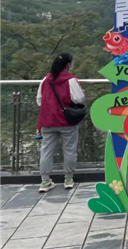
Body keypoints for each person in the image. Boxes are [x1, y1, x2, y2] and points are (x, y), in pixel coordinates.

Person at [37, 53, 85, 192]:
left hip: (48, 121)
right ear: (68, 65)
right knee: (69, 149)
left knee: (46, 150)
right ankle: (68, 179)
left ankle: (45, 181)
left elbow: (39, 100)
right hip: (66, 121)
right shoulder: (71, 80)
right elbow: (79, 99)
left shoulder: (45, 80)